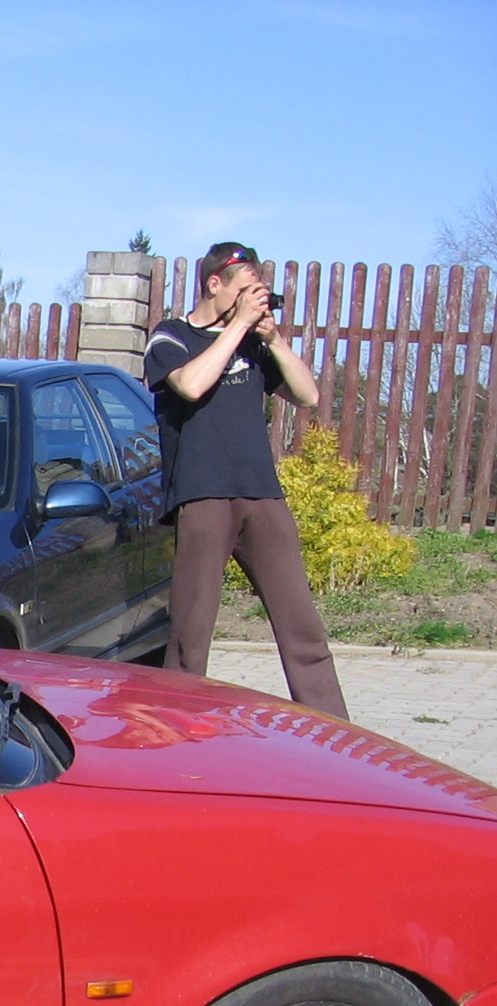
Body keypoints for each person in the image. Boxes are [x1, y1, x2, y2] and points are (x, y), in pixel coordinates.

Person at [146, 241, 346, 718]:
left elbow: (308, 396)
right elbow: (190, 385)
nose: (252, 301)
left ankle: (335, 732)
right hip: (203, 495)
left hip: (261, 494)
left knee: (303, 629)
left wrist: (273, 339)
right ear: (214, 284)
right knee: (190, 635)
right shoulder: (171, 336)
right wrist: (237, 327)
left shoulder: (255, 342)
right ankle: (175, 728)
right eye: (244, 290)